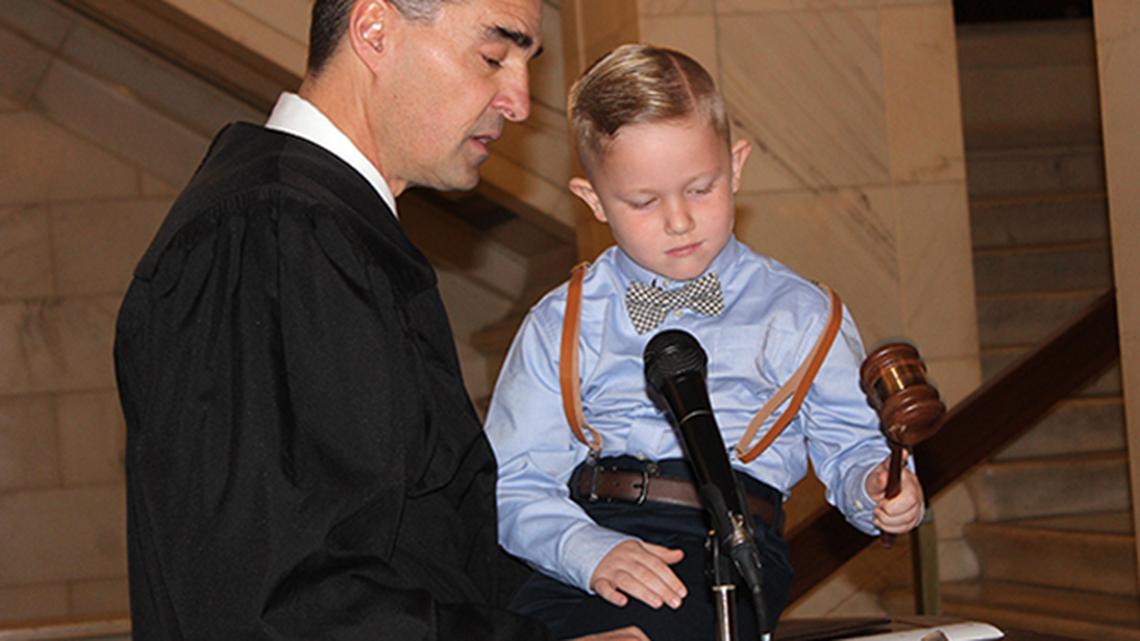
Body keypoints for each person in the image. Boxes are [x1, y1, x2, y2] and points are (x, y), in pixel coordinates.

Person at [114, 1, 646, 639]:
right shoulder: (272, 232)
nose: (520, 102)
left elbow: (421, 549)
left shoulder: (318, 227)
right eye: (493, 56)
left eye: (527, 63)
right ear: (374, 29)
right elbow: (279, 600)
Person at [484, 44, 925, 641]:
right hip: (582, 539)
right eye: (643, 202)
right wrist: (586, 549)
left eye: (700, 189)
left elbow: (852, 447)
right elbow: (513, 481)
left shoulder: (800, 313)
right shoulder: (563, 320)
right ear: (592, 201)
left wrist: (877, 487)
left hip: (728, 544)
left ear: (736, 165)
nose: (679, 221)